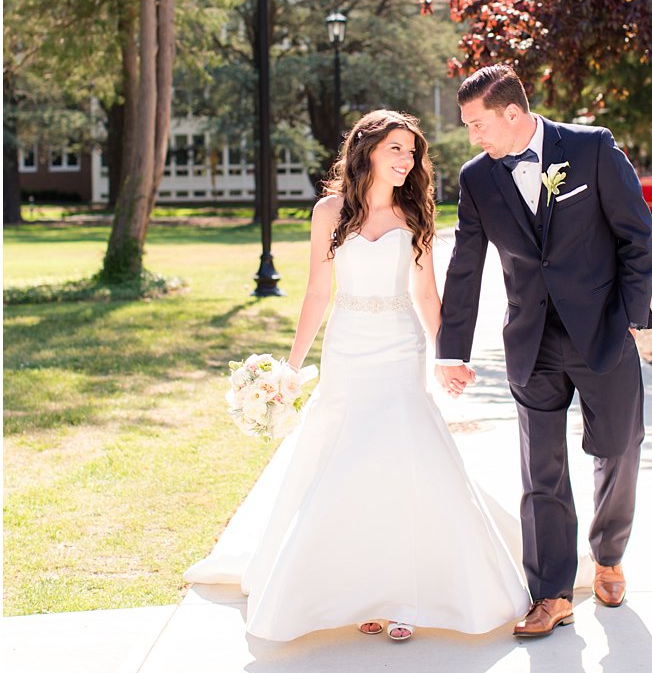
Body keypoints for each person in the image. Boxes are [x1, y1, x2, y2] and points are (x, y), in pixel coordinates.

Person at [188, 108, 529, 642]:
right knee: (347, 463)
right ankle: (360, 591)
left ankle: (404, 598)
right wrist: (291, 369)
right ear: (367, 149)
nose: (407, 159)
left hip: (399, 347)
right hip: (348, 347)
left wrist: (448, 356)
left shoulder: (414, 213)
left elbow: (424, 294)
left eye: (412, 151)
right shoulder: (329, 211)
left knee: (401, 462)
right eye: (397, 148)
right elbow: (317, 292)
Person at [435, 65, 652, 639]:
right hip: (531, 341)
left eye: (478, 124)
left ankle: (608, 554)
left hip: (604, 333)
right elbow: (464, 267)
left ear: (512, 113)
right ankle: (552, 593)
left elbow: (637, 236)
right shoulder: (478, 178)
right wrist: (451, 349)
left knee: (618, 447)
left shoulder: (591, 148)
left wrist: (632, 317)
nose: (473, 137)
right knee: (541, 470)